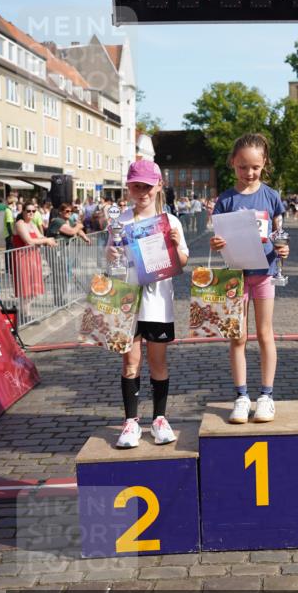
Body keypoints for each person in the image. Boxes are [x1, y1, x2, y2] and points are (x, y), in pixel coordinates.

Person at [109, 160, 189, 450]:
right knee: (130, 361)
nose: (141, 191)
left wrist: (177, 244)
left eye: (147, 186)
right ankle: (131, 421)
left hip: (157, 303)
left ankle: (159, 418)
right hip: (128, 301)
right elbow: (111, 260)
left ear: (158, 187)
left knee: (158, 362)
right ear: (128, 187)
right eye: (136, 185)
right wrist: (113, 248)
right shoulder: (120, 221)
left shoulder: (171, 221)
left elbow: (181, 263)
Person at [210, 133, 289, 423]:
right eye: (243, 167)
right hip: (236, 276)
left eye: (255, 167)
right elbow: (218, 236)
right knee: (238, 337)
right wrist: (216, 244)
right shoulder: (226, 199)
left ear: (264, 163)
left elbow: (279, 234)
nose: (249, 173)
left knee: (265, 334)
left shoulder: (271, 196)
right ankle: (241, 396)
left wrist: (283, 248)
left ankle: (266, 396)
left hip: (264, 274)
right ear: (233, 163)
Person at [11, 202, 57, 299]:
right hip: (22, 257)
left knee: (32, 289)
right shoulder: (20, 224)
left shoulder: (32, 224)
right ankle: (23, 313)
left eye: (33, 211)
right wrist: (46, 240)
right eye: (28, 211)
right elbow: (29, 240)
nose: (31, 213)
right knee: (24, 289)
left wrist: (51, 239)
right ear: (23, 211)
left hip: (33, 256)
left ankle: (27, 313)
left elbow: (40, 236)